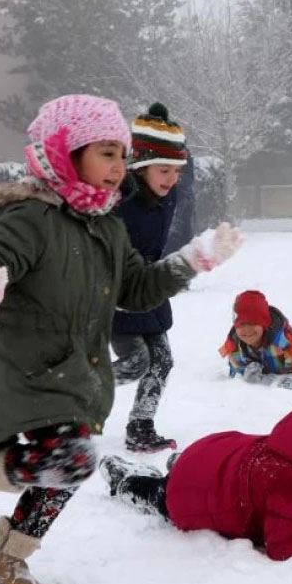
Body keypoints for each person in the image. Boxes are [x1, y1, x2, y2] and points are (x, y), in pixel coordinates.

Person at [0, 94, 242, 584]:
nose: (119, 167)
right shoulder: (28, 218)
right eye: (107, 152)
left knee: (66, 472)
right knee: (74, 460)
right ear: (65, 151)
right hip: (28, 371)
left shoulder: (105, 224)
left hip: (77, 374)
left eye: (123, 155)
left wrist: (191, 260)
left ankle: (8, 562)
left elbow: (136, 289)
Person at [99, 368, 292, 561]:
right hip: (195, 494)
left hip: (220, 454)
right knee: (163, 494)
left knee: (195, 471)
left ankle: (180, 465)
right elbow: (283, 545)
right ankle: (125, 479)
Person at [111, 103, 190, 453]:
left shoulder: (167, 194)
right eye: (164, 170)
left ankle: (140, 425)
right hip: (116, 292)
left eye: (177, 170)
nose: (171, 178)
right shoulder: (117, 196)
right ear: (140, 166)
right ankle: (76, 395)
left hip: (151, 286)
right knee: (134, 362)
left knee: (162, 359)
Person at [220, 289, 292, 388]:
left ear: (264, 323)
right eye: (241, 325)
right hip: (288, 345)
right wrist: (245, 371)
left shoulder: (285, 342)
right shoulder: (235, 343)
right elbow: (234, 367)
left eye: (252, 323)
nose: (246, 330)